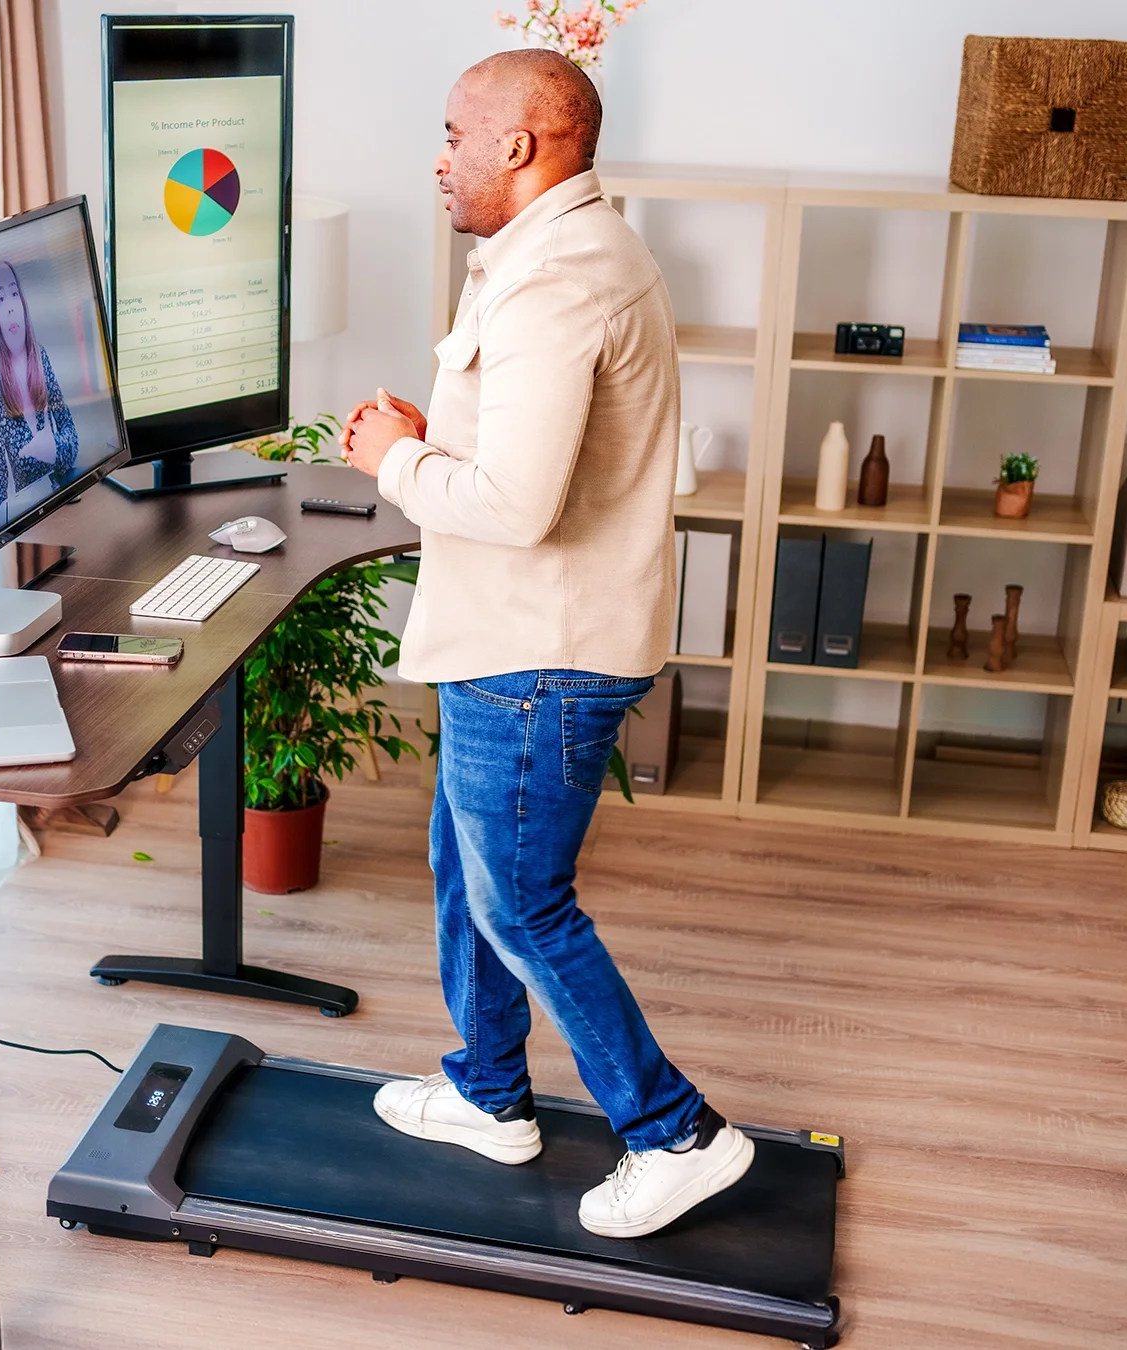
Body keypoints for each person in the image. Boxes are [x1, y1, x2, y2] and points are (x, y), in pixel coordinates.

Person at [341, 48, 753, 1240]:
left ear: (521, 146)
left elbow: (520, 508)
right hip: (511, 641)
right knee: (467, 876)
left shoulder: (557, 280)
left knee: (522, 904)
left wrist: (390, 462)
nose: (439, 155)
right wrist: (435, 442)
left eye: (456, 133)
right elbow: (522, 450)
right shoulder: (552, 252)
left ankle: (677, 1133)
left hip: (541, 654)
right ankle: (488, 1094)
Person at [0, 259, 80, 515]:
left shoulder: (41, 358)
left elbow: (71, 436)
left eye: (14, 294)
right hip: (34, 516)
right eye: (0, 300)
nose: (10, 308)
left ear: (23, 305)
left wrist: (54, 449)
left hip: (65, 501)